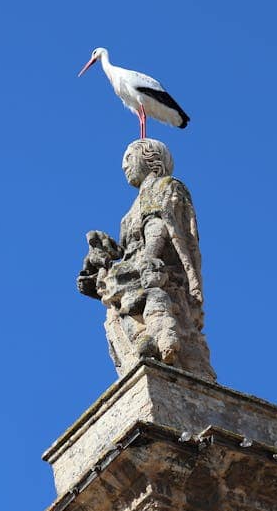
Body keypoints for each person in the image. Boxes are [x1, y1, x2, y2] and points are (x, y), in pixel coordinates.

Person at [78, 138, 215, 381]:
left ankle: (159, 337)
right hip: (135, 269)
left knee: (139, 291)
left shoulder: (164, 186)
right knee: (117, 303)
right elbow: (128, 247)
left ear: (150, 158)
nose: (124, 166)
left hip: (158, 269)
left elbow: (158, 224)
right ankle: (144, 339)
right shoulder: (129, 212)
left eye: (129, 158)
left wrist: (149, 257)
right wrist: (103, 254)